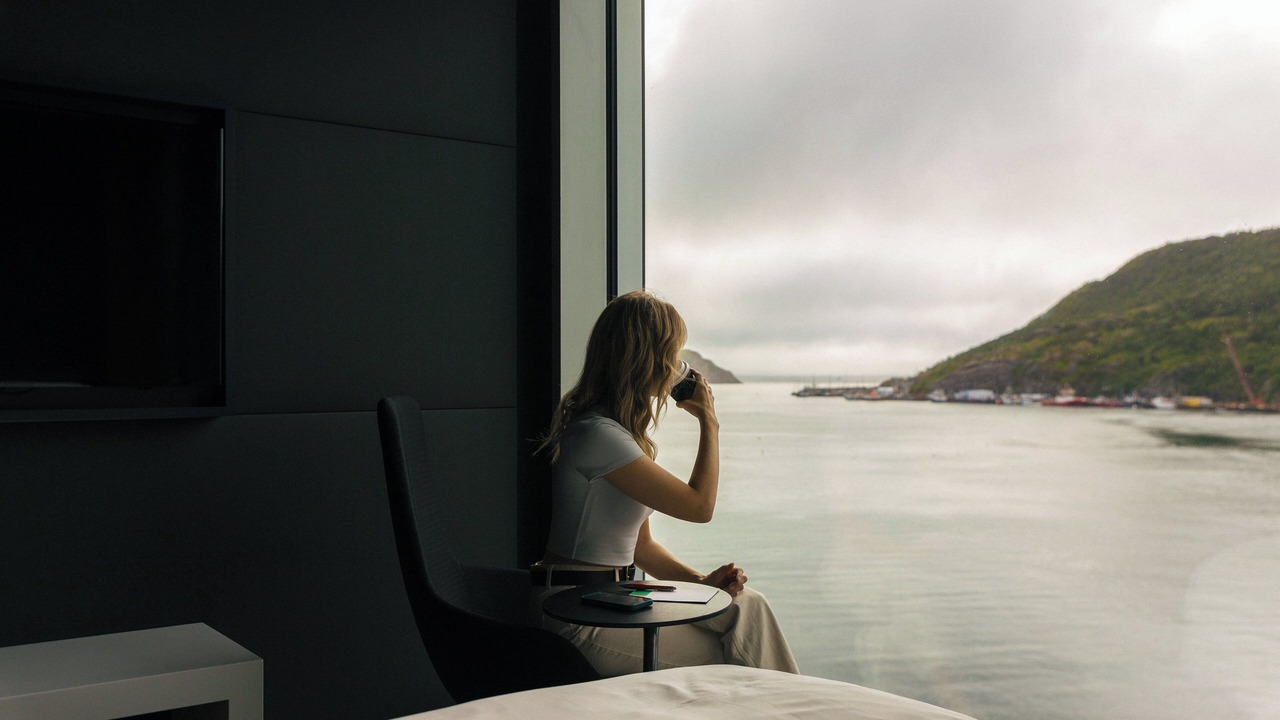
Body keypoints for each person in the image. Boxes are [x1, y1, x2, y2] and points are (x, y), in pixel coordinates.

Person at [531, 289, 798, 676]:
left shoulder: (619, 435)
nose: (678, 366)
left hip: (614, 598)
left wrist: (702, 582)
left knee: (747, 604)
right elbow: (699, 508)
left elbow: (642, 548)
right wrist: (709, 422)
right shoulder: (597, 435)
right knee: (731, 654)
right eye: (673, 354)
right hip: (575, 613)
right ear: (648, 358)